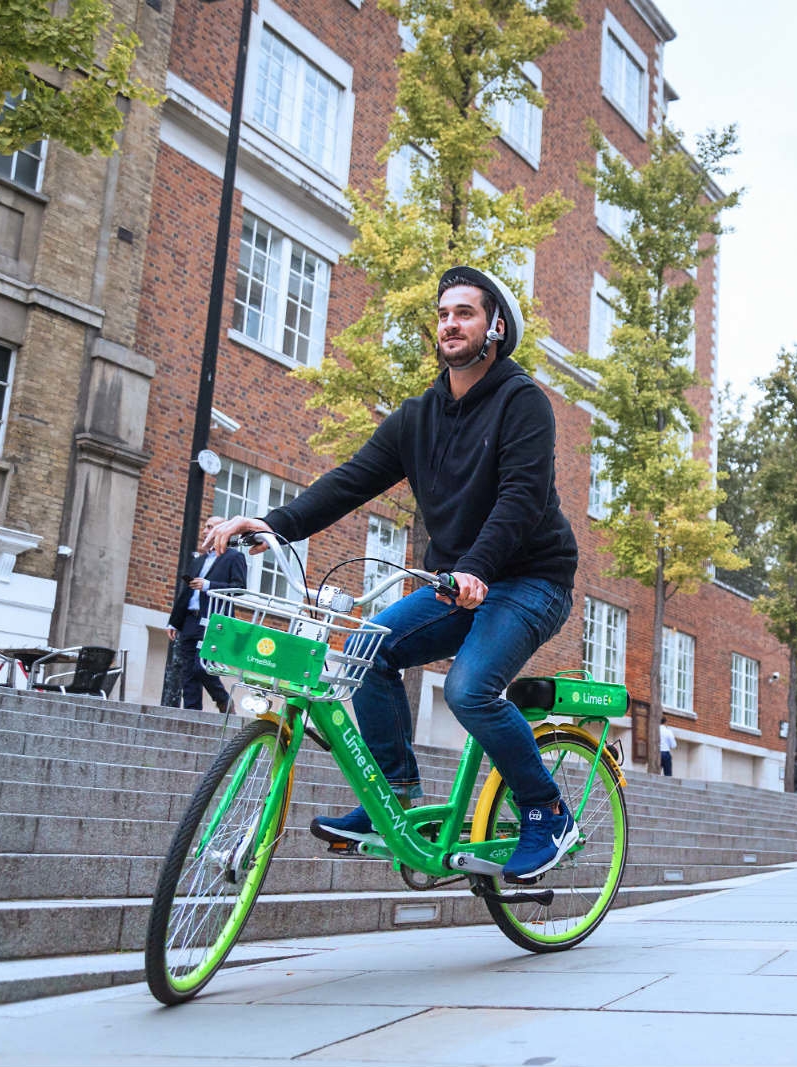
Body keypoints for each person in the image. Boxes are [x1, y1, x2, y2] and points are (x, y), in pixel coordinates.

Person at [207, 266, 580, 884]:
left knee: (469, 690)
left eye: (465, 312)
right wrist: (272, 524)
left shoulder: (524, 403)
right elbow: (352, 480)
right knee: (365, 650)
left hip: (531, 580)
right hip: (461, 582)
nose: (450, 324)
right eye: (443, 314)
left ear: (496, 327)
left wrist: (477, 570)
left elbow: (520, 498)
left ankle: (547, 811)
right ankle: (396, 790)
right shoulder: (418, 416)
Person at [166, 514, 247, 714]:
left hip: (214, 620)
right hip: (189, 620)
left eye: (209, 526)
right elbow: (187, 592)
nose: (204, 530)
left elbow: (239, 588)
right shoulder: (199, 560)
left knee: (200, 667)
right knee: (187, 671)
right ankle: (192, 714)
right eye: (204, 526)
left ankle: (223, 699)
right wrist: (174, 622)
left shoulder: (234, 557)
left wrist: (209, 585)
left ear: (223, 531)